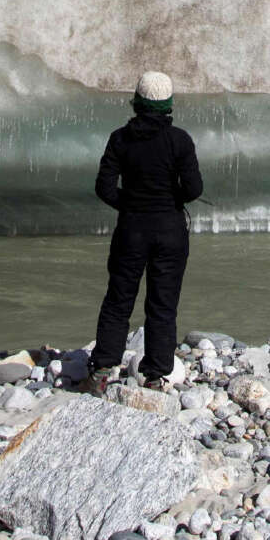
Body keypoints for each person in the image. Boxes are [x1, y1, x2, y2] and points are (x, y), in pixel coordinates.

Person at [87, 71, 202, 389]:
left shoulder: (119, 139)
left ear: (136, 102)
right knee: (162, 303)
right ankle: (155, 374)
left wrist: (130, 204)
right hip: (170, 229)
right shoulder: (180, 140)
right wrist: (170, 200)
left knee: (118, 299)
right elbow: (194, 188)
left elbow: (104, 187)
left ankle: (102, 369)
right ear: (169, 105)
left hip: (132, 228)